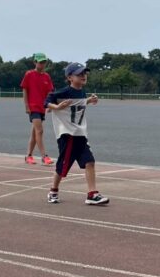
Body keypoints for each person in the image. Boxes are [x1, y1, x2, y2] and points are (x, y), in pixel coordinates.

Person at [45, 63, 109, 206]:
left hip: (80, 134)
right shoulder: (63, 92)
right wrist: (56, 107)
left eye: (84, 73)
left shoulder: (82, 93)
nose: (83, 76)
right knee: (63, 166)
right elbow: (47, 101)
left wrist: (89, 100)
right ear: (70, 78)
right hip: (67, 134)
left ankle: (92, 194)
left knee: (90, 162)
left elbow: (78, 104)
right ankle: (53, 191)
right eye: (79, 74)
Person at [20, 53, 55, 165]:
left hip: (42, 107)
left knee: (35, 132)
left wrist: (50, 105)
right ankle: (44, 156)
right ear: (35, 62)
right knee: (40, 131)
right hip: (33, 107)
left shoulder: (46, 76)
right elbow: (25, 90)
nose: (42, 64)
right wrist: (27, 106)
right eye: (40, 62)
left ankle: (28, 156)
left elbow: (49, 92)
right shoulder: (29, 74)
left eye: (44, 62)